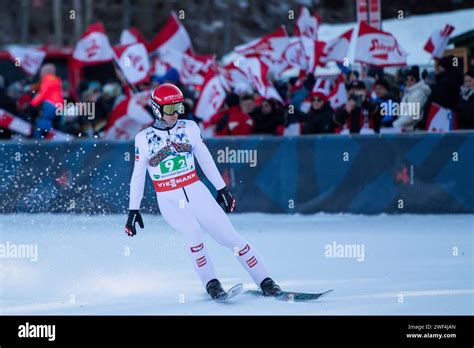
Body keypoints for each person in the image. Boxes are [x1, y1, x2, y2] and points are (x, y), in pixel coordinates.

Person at [125, 83, 281, 300]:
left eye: (179, 107)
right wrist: (134, 209)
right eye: (170, 109)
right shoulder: (143, 139)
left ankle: (266, 281)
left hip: (196, 190)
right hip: (169, 198)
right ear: (157, 110)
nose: (176, 114)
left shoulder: (189, 128)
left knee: (229, 237)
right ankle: (212, 284)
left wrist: (222, 188)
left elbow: (205, 158)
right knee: (192, 233)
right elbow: (138, 175)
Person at [393, 66, 431, 131]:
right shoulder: (408, 92)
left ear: (416, 80)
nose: (409, 82)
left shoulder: (419, 93)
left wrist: (395, 125)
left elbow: (412, 115)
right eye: (407, 79)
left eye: (412, 79)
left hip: (414, 130)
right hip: (406, 128)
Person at [30, 64, 63, 138]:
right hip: (56, 109)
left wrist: (33, 103)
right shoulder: (56, 81)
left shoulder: (48, 81)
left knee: (41, 134)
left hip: (48, 111)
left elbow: (42, 95)